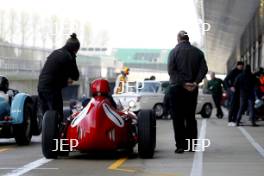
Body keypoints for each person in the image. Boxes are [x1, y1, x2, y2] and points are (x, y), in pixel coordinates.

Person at [168, 31, 208, 153]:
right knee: (190, 117)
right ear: (188, 39)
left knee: (178, 118)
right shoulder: (198, 53)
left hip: (177, 88)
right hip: (192, 89)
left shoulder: (173, 52)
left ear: (178, 39)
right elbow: (204, 69)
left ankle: (180, 146)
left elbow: (171, 71)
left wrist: (183, 83)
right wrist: (195, 82)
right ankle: (191, 146)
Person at [38, 33, 80, 122]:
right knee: (57, 118)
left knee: (46, 119)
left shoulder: (55, 52)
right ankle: (56, 135)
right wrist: (74, 57)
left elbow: (53, 71)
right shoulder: (68, 56)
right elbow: (76, 76)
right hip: (52, 89)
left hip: (41, 87)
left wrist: (65, 79)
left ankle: (46, 135)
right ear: (75, 50)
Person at [224, 61, 244, 126]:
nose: (241, 67)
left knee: (237, 106)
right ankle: (230, 120)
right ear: (237, 66)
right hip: (233, 91)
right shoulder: (233, 72)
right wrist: (230, 87)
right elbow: (226, 80)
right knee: (232, 105)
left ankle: (235, 119)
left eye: (242, 65)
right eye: (240, 65)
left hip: (240, 91)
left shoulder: (242, 72)